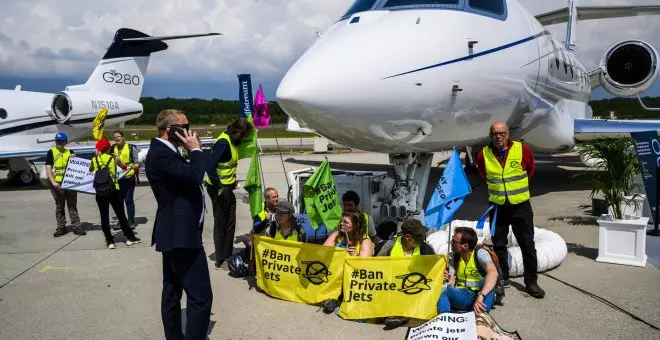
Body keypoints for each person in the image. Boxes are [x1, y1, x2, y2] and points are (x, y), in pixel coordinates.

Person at [145, 109, 213, 340]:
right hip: (181, 235)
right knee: (201, 296)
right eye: (184, 126)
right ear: (169, 130)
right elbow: (195, 175)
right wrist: (195, 150)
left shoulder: (166, 151)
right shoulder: (162, 155)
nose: (189, 130)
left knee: (172, 291)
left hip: (176, 232)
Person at [476, 121, 545, 298]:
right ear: (490, 135)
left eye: (501, 133)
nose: (498, 137)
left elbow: (530, 170)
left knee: (527, 244)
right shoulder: (483, 155)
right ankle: (503, 277)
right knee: (499, 244)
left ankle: (531, 282)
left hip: (520, 206)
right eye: (494, 134)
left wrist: (514, 191)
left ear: (508, 134)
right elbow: (484, 175)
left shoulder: (523, 150)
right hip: (498, 206)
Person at [205, 118, 253, 269]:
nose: (244, 139)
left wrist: (232, 183)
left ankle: (227, 254)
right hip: (219, 190)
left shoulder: (233, 142)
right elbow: (210, 166)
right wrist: (220, 187)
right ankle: (221, 259)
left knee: (230, 223)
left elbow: (226, 167)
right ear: (238, 132)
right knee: (221, 224)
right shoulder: (223, 142)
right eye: (244, 135)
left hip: (228, 188)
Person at [377, 219, 435, 329]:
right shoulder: (390, 245)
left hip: (414, 288)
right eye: (420, 236)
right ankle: (394, 315)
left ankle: (398, 316)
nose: (423, 238)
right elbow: (377, 265)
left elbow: (434, 269)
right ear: (408, 237)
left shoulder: (426, 249)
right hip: (391, 286)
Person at [89, 138, 141, 249]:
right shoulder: (112, 158)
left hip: (100, 191)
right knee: (121, 215)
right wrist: (116, 157)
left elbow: (90, 169)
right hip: (113, 190)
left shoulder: (94, 159)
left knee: (104, 217)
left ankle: (110, 241)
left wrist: (97, 156)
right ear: (108, 148)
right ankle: (129, 237)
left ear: (98, 149)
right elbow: (124, 167)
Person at [437, 227, 498, 314]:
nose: (451, 243)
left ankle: (482, 316)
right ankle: (445, 318)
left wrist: (481, 295)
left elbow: (493, 273)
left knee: (488, 279)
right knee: (444, 289)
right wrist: (444, 279)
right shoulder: (453, 257)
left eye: (454, 241)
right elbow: (450, 283)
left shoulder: (480, 254)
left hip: (481, 297)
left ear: (465, 246)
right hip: (463, 296)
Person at [45, 132, 86, 237]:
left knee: (72, 206)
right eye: (58, 141)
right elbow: (48, 168)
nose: (60, 143)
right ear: (55, 141)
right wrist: (53, 182)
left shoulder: (70, 152)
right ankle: (61, 227)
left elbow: (77, 167)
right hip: (58, 184)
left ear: (65, 141)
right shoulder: (51, 152)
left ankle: (76, 227)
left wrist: (74, 158)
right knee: (60, 207)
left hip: (70, 183)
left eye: (62, 141)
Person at [111, 130, 140, 228]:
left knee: (128, 200)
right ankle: (121, 221)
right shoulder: (112, 149)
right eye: (115, 137)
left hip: (128, 178)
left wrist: (136, 165)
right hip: (116, 179)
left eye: (119, 136)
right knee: (119, 202)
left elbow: (136, 162)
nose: (117, 138)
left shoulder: (131, 148)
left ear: (123, 137)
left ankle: (131, 221)